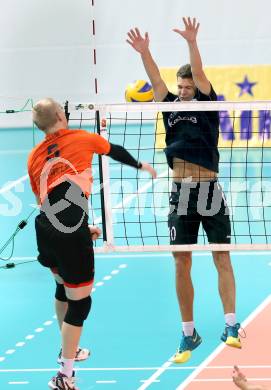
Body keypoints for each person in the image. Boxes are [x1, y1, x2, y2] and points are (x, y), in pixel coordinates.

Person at [127, 17, 241, 363]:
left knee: (221, 256)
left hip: (209, 189)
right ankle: (188, 333)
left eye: (188, 85)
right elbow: (156, 80)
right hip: (180, 192)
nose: (183, 90)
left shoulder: (207, 105)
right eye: (181, 85)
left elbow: (201, 72)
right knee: (181, 262)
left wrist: (192, 42)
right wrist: (145, 52)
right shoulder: (170, 108)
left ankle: (232, 326)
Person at [28, 98, 157, 390]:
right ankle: (64, 376)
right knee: (81, 303)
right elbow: (115, 151)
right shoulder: (82, 138)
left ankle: (67, 351)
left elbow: (46, 201)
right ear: (61, 115)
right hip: (69, 230)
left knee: (62, 287)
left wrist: (81, 229)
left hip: (45, 228)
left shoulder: (34, 155)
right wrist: (141, 165)